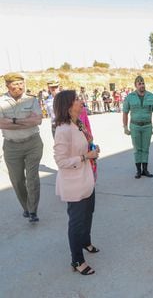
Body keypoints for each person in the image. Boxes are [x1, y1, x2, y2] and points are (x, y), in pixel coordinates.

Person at [53, 90, 100, 276]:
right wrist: (85, 156)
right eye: (77, 100)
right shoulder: (63, 130)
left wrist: (92, 150)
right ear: (68, 106)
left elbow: (85, 145)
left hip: (87, 177)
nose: (81, 102)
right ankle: (77, 260)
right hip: (74, 182)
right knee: (77, 222)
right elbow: (61, 161)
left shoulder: (78, 123)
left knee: (89, 213)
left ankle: (85, 242)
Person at [0, 73, 43, 222]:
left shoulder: (31, 99)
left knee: (32, 178)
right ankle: (26, 207)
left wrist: (11, 121)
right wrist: (25, 120)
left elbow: (37, 120)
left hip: (33, 143)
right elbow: (0, 123)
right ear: (7, 86)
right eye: (15, 84)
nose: (19, 87)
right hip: (11, 146)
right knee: (17, 180)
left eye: (21, 84)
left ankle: (33, 210)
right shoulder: (1, 101)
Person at [123, 75, 153, 178]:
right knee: (137, 149)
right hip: (135, 126)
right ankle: (138, 171)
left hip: (147, 126)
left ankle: (145, 170)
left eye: (143, 83)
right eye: (139, 84)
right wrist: (125, 127)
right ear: (135, 85)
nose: (142, 85)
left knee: (145, 148)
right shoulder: (130, 97)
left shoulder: (151, 96)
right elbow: (125, 113)